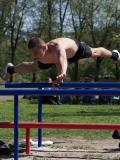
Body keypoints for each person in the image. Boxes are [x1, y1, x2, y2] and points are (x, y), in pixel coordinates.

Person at [1, 37, 120, 83]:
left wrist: (62, 73)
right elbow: (55, 61)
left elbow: (62, 59)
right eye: (32, 53)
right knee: (34, 66)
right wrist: (59, 78)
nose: (35, 55)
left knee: (95, 52)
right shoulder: (42, 53)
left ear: (44, 47)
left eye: (36, 52)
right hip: (53, 59)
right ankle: (11, 69)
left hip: (75, 51)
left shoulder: (57, 46)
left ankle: (114, 55)